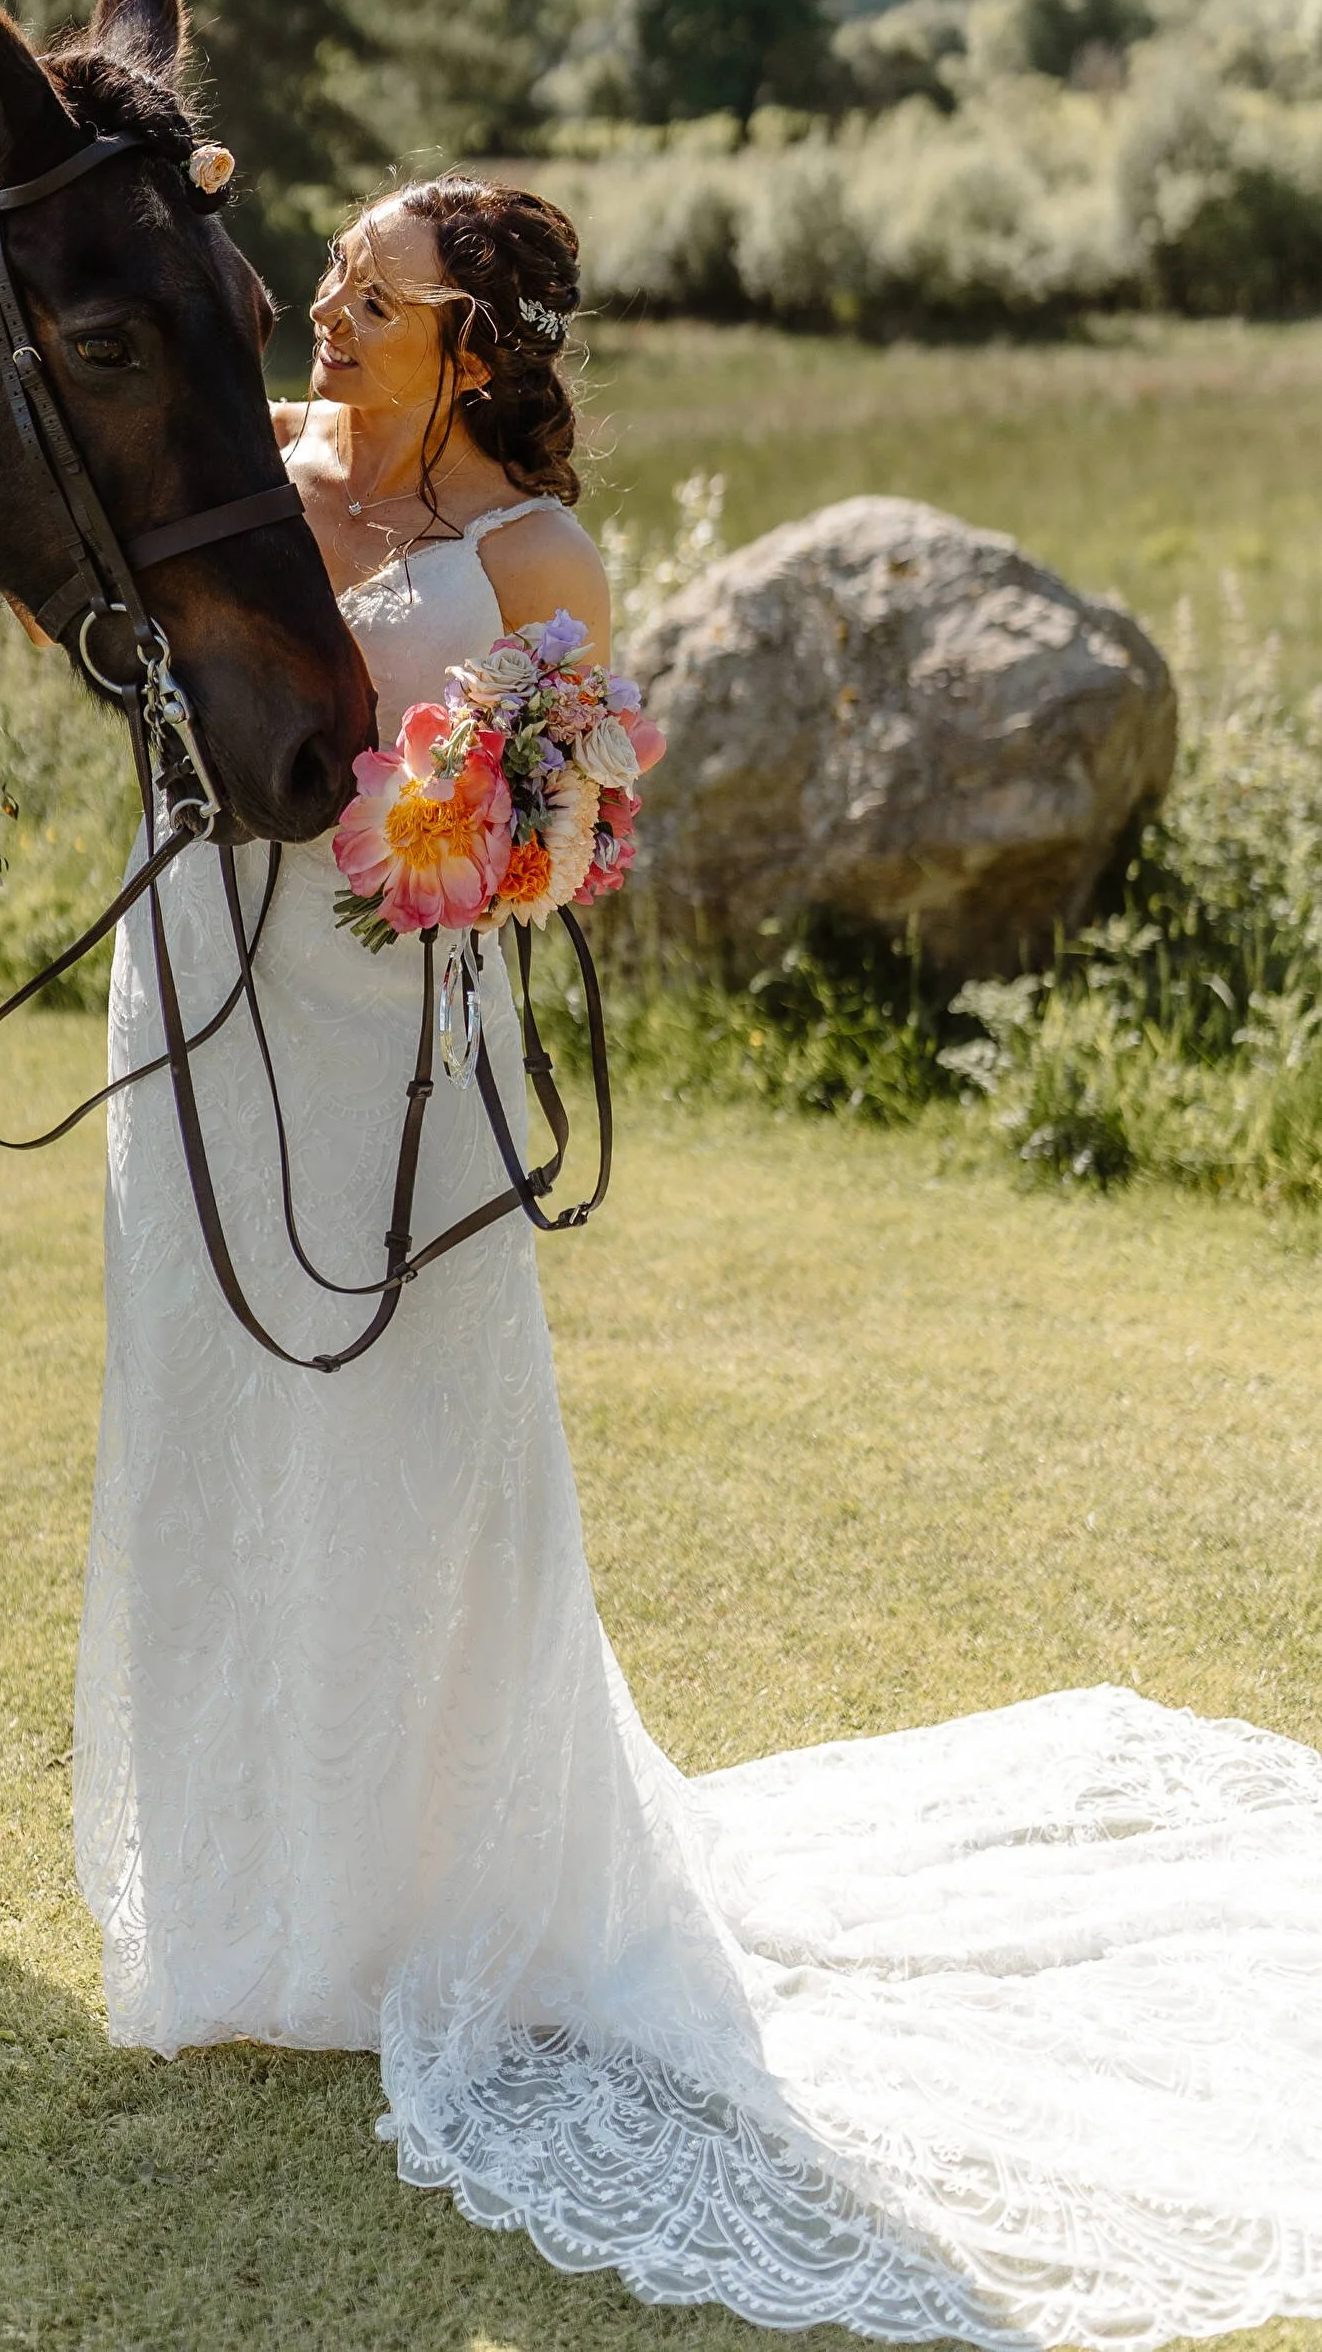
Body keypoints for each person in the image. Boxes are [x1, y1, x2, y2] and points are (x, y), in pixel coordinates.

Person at [76, 176, 1322, 2348]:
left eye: (381, 290)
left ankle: (421, 1899)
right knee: (212, 1418)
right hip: (204, 1000)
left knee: (416, 1453)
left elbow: (569, 830)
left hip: (402, 1031)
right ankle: (250, 1905)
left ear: (474, 344)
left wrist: (485, 840)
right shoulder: (248, 470)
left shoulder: (532, 561)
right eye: (338, 280)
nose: (337, 304)